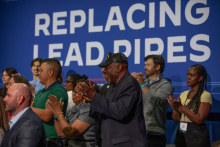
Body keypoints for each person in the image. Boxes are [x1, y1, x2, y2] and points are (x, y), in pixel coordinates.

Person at [76, 52, 148, 147]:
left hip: (127, 143)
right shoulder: (112, 87)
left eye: (107, 67)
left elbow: (121, 112)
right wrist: (92, 100)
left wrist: (95, 96)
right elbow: (104, 114)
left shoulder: (129, 84)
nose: (103, 70)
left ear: (119, 67)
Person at [131, 55, 173, 147]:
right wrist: (134, 83)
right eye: (145, 65)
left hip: (155, 135)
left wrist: (141, 83)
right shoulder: (143, 83)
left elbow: (155, 100)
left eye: (148, 65)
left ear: (157, 67)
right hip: (138, 132)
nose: (144, 67)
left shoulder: (166, 85)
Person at [168, 64, 212, 147]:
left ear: (200, 78)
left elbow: (199, 119)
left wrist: (180, 106)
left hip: (197, 135)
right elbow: (176, 120)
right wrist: (175, 108)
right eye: (187, 75)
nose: (188, 78)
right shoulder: (183, 94)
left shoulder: (205, 95)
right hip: (181, 133)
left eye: (192, 75)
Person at [48, 79, 99, 147]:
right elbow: (60, 133)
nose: (72, 94)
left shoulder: (89, 110)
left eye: (75, 91)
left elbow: (70, 133)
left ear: (85, 93)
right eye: (73, 91)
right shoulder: (74, 108)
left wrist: (59, 112)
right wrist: (56, 114)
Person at [31, 58, 68, 147]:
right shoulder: (40, 92)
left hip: (51, 142)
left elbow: (47, 116)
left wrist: (25, 108)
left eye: (41, 70)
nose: (38, 73)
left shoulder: (58, 91)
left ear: (50, 72)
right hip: (38, 140)